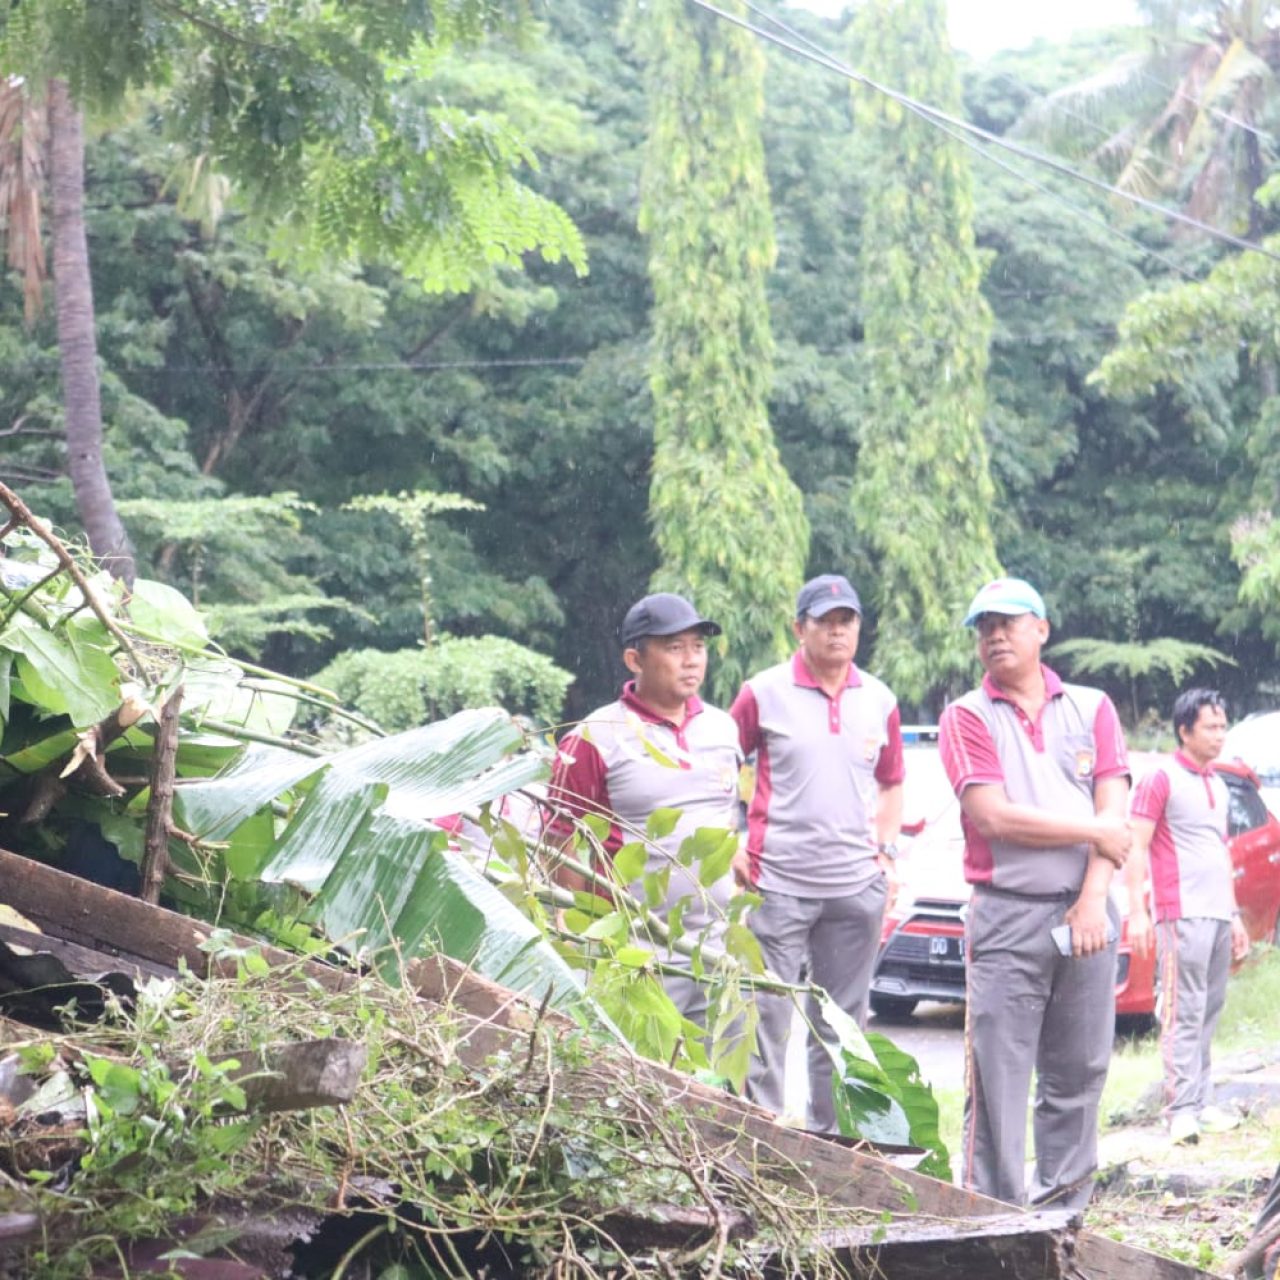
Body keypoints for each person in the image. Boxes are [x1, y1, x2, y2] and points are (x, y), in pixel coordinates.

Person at [938, 576, 1132, 1208]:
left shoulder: (1093, 706)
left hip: (1089, 911)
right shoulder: (966, 716)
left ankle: (1062, 1219)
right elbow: (994, 817)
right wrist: (1094, 830)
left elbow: (1116, 807)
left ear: (1041, 629)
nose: (995, 635)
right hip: (1007, 917)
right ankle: (991, 1227)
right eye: (984, 626)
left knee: (1079, 1073)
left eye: (1009, 622)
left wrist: (1093, 896)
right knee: (997, 1081)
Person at [729, 573, 904, 1133]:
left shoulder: (880, 699)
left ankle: (830, 1142)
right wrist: (731, 840)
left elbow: (892, 781)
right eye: (824, 621)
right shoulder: (763, 692)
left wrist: (887, 852)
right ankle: (760, 1142)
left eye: (846, 620)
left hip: (854, 890)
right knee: (766, 1016)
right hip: (776, 883)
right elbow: (721, 763)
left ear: (858, 627)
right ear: (798, 627)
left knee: (840, 1024)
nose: (836, 631)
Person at [544, 592, 743, 1027]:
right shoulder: (593, 737)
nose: (691, 660)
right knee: (648, 1078)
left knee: (719, 1086)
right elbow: (560, 836)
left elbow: (727, 820)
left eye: (699, 647)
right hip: (636, 946)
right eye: (674, 648)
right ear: (635, 659)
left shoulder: (724, 729)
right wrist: (567, 921)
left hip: (716, 942)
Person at [1125, 688, 1250, 1145]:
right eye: (1210, 727)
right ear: (1185, 731)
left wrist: (1234, 916)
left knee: (1209, 1010)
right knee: (1182, 1010)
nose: (1220, 735)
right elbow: (1135, 844)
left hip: (1218, 913)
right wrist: (1138, 912)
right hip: (1180, 913)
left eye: (1223, 726)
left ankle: (1201, 1103)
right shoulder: (1160, 778)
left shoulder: (1217, 783)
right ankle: (1179, 1110)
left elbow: (1218, 851)